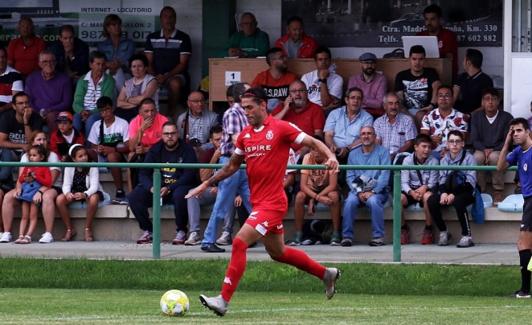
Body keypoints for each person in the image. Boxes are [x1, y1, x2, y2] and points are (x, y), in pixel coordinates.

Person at [185, 87, 340, 316]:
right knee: (278, 253)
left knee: (239, 242)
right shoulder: (246, 135)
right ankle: (326, 274)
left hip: (273, 204)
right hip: (260, 204)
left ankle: (223, 300)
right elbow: (231, 166)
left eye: (250, 107)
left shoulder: (281, 128)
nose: (246, 112)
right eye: (243, 108)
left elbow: (313, 142)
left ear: (263, 105)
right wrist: (206, 184)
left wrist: (331, 156)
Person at [200, 82, 251, 253]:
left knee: (254, 202)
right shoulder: (232, 113)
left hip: (243, 164)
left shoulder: (246, 113)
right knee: (222, 203)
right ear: (241, 96)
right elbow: (237, 140)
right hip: (231, 162)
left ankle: (273, 238)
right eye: (248, 91)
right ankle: (208, 241)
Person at [127, 122, 198, 245]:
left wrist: (170, 188)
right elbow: (143, 173)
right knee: (134, 196)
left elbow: (189, 175)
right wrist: (151, 187)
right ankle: (149, 230)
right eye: (166, 134)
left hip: (177, 188)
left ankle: (181, 231)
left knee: (181, 194)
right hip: (158, 189)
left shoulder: (187, 150)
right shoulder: (155, 149)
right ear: (161, 135)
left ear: (178, 134)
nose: (170, 136)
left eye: (172, 133)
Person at [0, 131, 61, 244]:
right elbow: (21, 178)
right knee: (8, 196)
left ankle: (48, 234)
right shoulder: (26, 156)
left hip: (50, 187)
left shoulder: (52, 155)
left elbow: (51, 181)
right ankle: (7, 233)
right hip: (28, 187)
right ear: (32, 142)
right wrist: (18, 188)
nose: (42, 142)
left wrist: (40, 191)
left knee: (47, 196)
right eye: (38, 139)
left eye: (44, 139)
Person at [496, 118, 532, 298]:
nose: (515, 134)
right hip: (528, 201)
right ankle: (526, 289)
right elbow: (500, 167)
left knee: (523, 244)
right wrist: (506, 143)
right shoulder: (518, 151)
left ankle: (525, 290)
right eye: (512, 131)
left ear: (528, 131)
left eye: (518, 130)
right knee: (527, 246)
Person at [342, 126, 390, 247]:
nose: (366, 136)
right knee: (349, 202)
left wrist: (373, 191)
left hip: (378, 191)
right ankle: (347, 237)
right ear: (360, 137)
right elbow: (349, 176)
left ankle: (378, 237)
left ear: (374, 136)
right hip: (357, 191)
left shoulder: (383, 152)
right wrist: (359, 192)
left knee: (373, 202)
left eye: (369, 133)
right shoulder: (353, 154)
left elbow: (384, 176)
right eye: (363, 134)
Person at [427, 131, 477, 248]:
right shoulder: (444, 160)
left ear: (463, 144)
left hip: (466, 192)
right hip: (449, 192)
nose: (454, 144)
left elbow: (470, 183)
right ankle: (444, 232)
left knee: (458, 201)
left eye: (457, 141)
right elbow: (441, 179)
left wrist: (453, 194)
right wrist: (444, 193)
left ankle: (467, 235)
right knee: (431, 200)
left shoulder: (470, 158)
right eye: (451, 141)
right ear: (447, 144)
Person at [291, 135, 340, 246]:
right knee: (299, 196)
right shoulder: (307, 157)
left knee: (334, 196)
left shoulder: (331, 158)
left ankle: (336, 233)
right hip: (310, 189)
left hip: (326, 189)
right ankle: (298, 234)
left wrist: (316, 199)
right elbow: (303, 186)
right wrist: (315, 197)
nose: (316, 152)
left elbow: (332, 185)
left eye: (318, 149)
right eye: (313, 149)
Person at [145, 6, 192, 117]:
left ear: (175, 19)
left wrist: (165, 76)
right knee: (147, 83)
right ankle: (150, 117)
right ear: (161, 19)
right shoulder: (152, 37)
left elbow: (183, 64)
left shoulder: (184, 37)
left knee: (175, 84)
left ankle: (169, 115)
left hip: (176, 74)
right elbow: (148, 62)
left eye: (171, 17)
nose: (168, 20)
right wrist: (156, 76)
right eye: (165, 17)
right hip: (155, 74)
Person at [471, 88, 513, 204]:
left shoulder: (507, 117)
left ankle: (498, 191)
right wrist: (484, 149)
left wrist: (493, 149)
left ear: (498, 101)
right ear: (482, 102)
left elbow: (507, 140)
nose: (490, 102)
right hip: (481, 149)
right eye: (487, 99)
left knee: (495, 157)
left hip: (499, 149)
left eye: (493, 99)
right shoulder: (476, 117)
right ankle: (481, 190)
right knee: (476, 158)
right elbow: (474, 139)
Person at [56, 144, 106, 242]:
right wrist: (67, 194)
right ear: (74, 159)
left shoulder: (92, 166)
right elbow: (66, 185)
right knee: (59, 200)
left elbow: (94, 186)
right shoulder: (69, 167)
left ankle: (88, 229)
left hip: (89, 192)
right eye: (80, 156)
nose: (84, 158)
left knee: (94, 199)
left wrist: (85, 194)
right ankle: (70, 229)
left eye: (85, 155)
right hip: (75, 191)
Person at [185, 125, 223, 246]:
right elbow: (203, 178)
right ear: (211, 141)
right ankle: (194, 233)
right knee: (192, 194)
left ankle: (226, 233)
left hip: (229, 191)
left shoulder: (234, 152)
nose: (220, 142)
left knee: (229, 193)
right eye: (217, 140)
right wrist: (215, 157)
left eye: (223, 138)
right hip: (211, 190)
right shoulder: (208, 153)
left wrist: (221, 189)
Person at [87, 96, 129, 204]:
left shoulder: (122, 123)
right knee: (87, 153)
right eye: (102, 111)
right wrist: (98, 148)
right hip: (102, 156)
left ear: (112, 108)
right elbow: (93, 146)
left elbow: (128, 145)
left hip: (119, 155)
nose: (105, 113)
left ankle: (119, 190)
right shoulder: (97, 125)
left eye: (107, 109)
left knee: (112, 156)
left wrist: (113, 149)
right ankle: (87, 189)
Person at [400, 134, 439, 245]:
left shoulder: (434, 161)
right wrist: (411, 192)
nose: (427, 150)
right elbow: (404, 182)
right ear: (416, 147)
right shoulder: (407, 160)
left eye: (429, 147)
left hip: (426, 190)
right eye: (424, 146)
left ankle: (428, 228)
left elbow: (433, 182)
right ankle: (403, 228)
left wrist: (424, 188)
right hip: (411, 190)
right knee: (398, 199)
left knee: (428, 197)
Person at [25, 50, 73, 131]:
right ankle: (32, 142)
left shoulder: (64, 79)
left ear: (56, 63)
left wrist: (49, 110)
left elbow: (66, 102)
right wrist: (37, 111)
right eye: (45, 62)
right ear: (39, 64)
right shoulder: (32, 78)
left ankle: (55, 142)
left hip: (56, 112)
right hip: (36, 111)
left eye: (51, 61)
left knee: (51, 116)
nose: (49, 64)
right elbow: (28, 99)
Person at [13, 144, 52, 244]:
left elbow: (48, 182)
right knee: (24, 216)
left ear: (42, 157)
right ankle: (21, 235)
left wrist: (36, 177)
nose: (31, 157)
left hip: (35, 195)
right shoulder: (28, 166)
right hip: (26, 194)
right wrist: (26, 177)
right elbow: (21, 179)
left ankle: (28, 236)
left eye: (34, 155)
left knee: (32, 216)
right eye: (30, 155)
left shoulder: (45, 167)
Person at [127, 98, 168, 191]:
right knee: (130, 156)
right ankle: (131, 193)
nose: (150, 114)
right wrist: (141, 130)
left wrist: (147, 149)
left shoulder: (163, 120)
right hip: (142, 153)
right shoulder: (134, 122)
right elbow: (131, 147)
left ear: (156, 110)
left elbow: (166, 145)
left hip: (158, 153)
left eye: (152, 110)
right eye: (146, 111)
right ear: (140, 112)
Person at [324, 87, 373, 163]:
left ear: (362, 101)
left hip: (355, 152)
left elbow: (364, 138)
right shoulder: (334, 113)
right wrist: (333, 147)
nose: (356, 101)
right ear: (347, 100)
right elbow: (328, 135)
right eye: (353, 98)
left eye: (359, 98)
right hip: (334, 150)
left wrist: (347, 149)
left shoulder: (367, 117)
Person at [73, 51, 116, 137]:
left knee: (91, 120)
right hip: (83, 111)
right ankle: (75, 147)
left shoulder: (109, 80)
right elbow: (76, 102)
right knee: (76, 120)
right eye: (98, 64)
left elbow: (105, 103)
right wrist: (82, 111)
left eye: (103, 64)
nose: (101, 67)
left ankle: (90, 148)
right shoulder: (82, 80)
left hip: (100, 111)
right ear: (91, 65)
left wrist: (90, 113)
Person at [394, 45, 441, 125]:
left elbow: (437, 87)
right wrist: (407, 114)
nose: (417, 62)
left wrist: (432, 105)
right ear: (409, 59)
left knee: (421, 115)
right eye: (414, 59)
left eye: (421, 59)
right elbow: (399, 98)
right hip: (406, 110)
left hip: (427, 109)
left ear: (424, 60)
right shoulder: (401, 75)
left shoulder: (430, 72)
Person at [420, 85, 468, 158]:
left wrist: (448, 151)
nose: (443, 98)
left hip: (454, 152)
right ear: (436, 99)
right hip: (432, 153)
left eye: (447, 96)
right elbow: (423, 138)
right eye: (440, 96)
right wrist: (430, 139)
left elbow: (462, 139)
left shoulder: (462, 117)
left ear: (452, 98)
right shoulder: (428, 116)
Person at [417, 4, 458, 77]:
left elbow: (449, 59)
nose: (428, 23)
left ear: (440, 20)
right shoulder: (419, 35)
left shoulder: (449, 35)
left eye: (432, 19)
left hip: (444, 76)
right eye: (426, 19)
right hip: (422, 76)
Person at [97, 14, 135, 92]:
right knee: (111, 82)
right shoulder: (102, 45)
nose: (117, 27)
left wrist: (116, 65)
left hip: (126, 73)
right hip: (107, 73)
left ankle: (121, 99)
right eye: (114, 25)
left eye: (118, 24)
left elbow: (129, 62)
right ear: (107, 28)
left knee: (117, 72)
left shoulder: (129, 43)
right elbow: (100, 63)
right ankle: (124, 100)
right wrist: (108, 65)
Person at [116, 53, 159, 122]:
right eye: (134, 66)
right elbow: (119, 102)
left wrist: (127, 99)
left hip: (148, 113)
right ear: (130, 68)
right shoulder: (128, 82)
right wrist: (136, 106)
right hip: (131, 111)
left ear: (146, 68)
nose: (137, 69)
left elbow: (143, 99)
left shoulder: (152, 80)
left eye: (140, 66)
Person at [374, 92, 417, 159]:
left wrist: (396, 154)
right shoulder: (378, 122)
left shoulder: (407, 120)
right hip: (382, 156)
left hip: (401, 156)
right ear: (384, 106)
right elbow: (377, 142)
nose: (394, 107)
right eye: (390, 103)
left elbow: (409, 143)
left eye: (396, 103)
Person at [0, 92, 43, 157]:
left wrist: (26, 122)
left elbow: (32, 142)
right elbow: (1, 142)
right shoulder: (6, 117)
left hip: (29, 151)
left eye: (27, 102)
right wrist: (21, 146)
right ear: (14, 106)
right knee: (6, 153)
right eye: (20, 103)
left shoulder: (36, 118)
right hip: (11, 150)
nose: (24, 105)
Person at [453, 49, 494, 115]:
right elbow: (454, 97)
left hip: (477, 116)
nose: (462, 62)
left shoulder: (486, 80)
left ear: (468, 62)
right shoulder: (461, 77)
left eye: (464, 59)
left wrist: (470, 115)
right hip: (460, 114)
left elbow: (486, 104)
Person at [301, 46, 343, 111]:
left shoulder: (337, 79)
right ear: (315, 62)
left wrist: (323, 80)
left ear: (330, 61)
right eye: (320, 59)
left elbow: (326, 103)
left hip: (327, 112)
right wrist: (323, 108)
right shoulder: (306, 77)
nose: (323, 62)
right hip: (308, 110)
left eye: (326, 59)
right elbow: (302, 101)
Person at [347, 52, 387, 118]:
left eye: (372, 63)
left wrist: (360, 99)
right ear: (361, 64)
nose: (369, 66)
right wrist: (370, 102)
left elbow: (379, 104)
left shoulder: (381, 79)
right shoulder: (353, 79)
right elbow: (350, 101)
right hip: (356, 112)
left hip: (375, 114)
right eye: (366, 63)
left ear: (375, 64)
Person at [0, 46, 23, 116]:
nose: (1, 60)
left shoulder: (15, 75)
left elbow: (16, 101)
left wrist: (2, 109)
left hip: (7, 109)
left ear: (7, 59)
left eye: (3, 57)